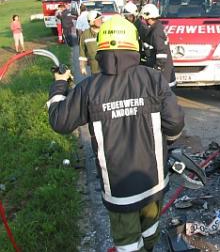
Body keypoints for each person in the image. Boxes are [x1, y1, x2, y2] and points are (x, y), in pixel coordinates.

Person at [47, 15, 185, 252]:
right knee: (150, 229)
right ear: (134, 45)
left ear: (100, 48)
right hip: (153, 182)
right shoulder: (153, 79)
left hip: (119, 191)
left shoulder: (89, 88)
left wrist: (60, 84)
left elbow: (60, 121)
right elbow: (175, 124)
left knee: (129, 244)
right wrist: (167, 144)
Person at [140, 3, 177, 88]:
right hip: (166, 71)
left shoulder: (156, 32)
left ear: (148, 17)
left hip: (163, 73)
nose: (143, 21)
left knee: (163, 96)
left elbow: (161, 54)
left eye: (143, 18)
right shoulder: (158, 27)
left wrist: (157, 69)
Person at [78, 10, 102, 76]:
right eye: (98, 19)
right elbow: (82, 52)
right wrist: (82, 67)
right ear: (91, 21)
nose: (100, 21)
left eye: (101, 19)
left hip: (107, 68)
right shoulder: (85, 35)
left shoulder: (106, 31)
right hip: (95, 69)